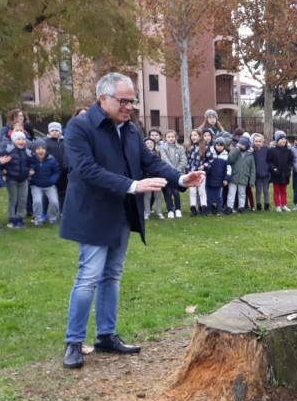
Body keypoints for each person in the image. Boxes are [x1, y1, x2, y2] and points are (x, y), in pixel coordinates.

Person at [60, 73, 204, 369]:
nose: (129, 106)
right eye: (123, 101)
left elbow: (149, 162)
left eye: (132, 100)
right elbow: (86, 170)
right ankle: (74, 342)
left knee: (112, 275)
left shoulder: (131, 130)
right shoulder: (80, 127)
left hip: (122, 213)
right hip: (93, 214)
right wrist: (132, 186)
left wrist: (179, 178)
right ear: (103, 98)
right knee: (88, 277)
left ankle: (106, 335)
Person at [2, 130, 31, 228]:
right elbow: (2, 161)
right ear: (14, 140)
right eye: (18, 139)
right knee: (13, 199)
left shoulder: (27, 151)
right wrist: (3, 170)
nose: (21, 141)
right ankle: (12, 219)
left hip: (24, 180)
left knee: (23, 199)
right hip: (11, 179)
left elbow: (32, 162)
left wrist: (32, 169)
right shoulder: (9, 150)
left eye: (23, 139)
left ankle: (20, 218)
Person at [28, 140, 61, 225]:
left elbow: (57, 172)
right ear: (34, 150)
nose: (40, 150)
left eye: (43, 148)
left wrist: (52, 180)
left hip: (49, 186)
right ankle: (38, 220)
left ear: (46, 150)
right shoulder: (31, 159)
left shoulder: (51, 159)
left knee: (54, 202)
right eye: (38, 149)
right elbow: (26, 169)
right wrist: (29, 174)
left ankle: (53, 218)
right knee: (37, 202)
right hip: (36, 185)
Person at [158, 130, 186, 218]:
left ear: (175, 137)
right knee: (167, 192)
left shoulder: (180, 148)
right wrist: (171, 170)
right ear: (165, 138)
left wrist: (177, 170)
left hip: (178, 173)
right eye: (169, 137)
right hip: (166, 173)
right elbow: (164, 159)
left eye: (172, 137)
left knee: (176, 192)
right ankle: (170, 209)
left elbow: (184, 160)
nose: (171, 138)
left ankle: (178, 209)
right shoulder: (162, 148)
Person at [227, 135, 256, 214]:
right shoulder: (235, 152)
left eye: (243, 144)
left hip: (244, 178)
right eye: (240, 144)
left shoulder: (250, 156)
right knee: (231, 193)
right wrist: (236, 149)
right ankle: (229, 207)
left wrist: (252, 181)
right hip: (234, 177)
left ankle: (241, 207)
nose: (241, 146)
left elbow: (253, 170)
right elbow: (230, 159)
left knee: (242, 194)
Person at [185, 129, 212, 215]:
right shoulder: (189, 147)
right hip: (192, 173)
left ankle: (204, 208)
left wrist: (204, 166)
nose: (193, 137)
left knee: (201, 191)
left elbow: (210, 159)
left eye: (195, 135)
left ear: (200, 136)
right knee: (192, 191)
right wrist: (188, 171)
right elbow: (188, 160)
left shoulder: (205, 147)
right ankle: (193, 209)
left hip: (201, 173)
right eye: (192, 135)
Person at [267, 131, 293, 212]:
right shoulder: (272, 150)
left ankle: (284, 205)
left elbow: (290, 161)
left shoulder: (288, 150)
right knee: (277, 190)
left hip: (285, 174)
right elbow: (269, 161)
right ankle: (278, 205)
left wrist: (288, 169)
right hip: (276, 173)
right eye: (281, 139)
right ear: (276, 140)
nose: (283, 140)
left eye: (284, 139)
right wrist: (274, 169)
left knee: (283, 190)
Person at [45, 122, 68, 211]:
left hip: (63, 171)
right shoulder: (45, 142)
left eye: (57, 130)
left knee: (62, 192)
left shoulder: (64, 142)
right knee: (48, 192)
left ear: (61, 131)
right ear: (49, 131)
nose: (55, 132)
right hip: (50, 171)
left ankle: (62, 210)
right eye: (52, 130)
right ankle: (45, 211)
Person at [205, 137, 231, 214]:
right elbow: (205, 163)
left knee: (219, 197)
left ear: (224, 146)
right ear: (215, 145)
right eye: (218, 145)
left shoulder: (226, 155)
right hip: (209, 179)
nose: (219, 147)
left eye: (221, 145)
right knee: (209, 197)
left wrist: (226, 179)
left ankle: (219, 211)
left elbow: (229, 168)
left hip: (220, 180)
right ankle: (209, 210)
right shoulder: (210, 153)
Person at [251, 133, 271, 211]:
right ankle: (258, 205)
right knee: (258, 190)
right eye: (256, 141)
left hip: (266, 175)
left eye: (260, 141)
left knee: (266, 191)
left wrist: (269, 172)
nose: (258, 143)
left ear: (263, 142)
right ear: (253, 142)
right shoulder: (252, 151)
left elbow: (270, 161)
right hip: (257, 175)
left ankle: (266, 205)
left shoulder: (267, 149)